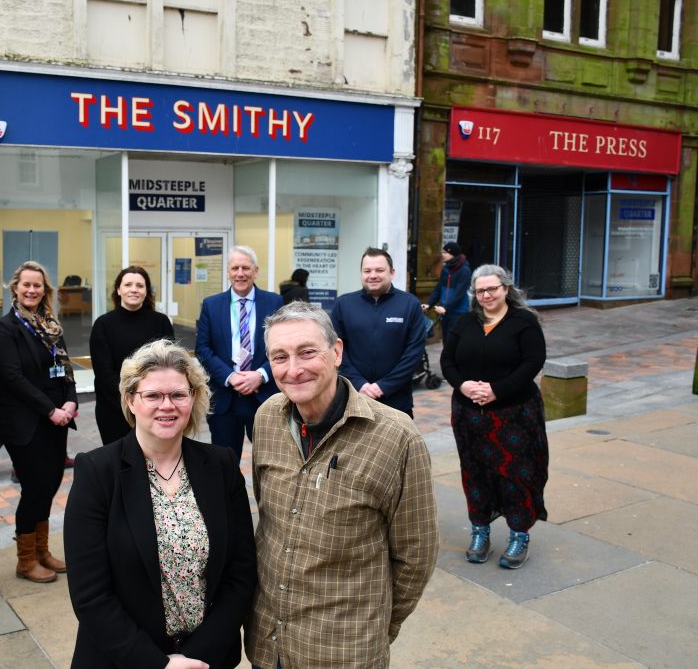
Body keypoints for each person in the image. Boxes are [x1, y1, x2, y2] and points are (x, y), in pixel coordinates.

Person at [247, 302, 439, 669]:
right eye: (280, 357)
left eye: (307, 352)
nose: (294, 369)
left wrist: (377, 626)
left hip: (344, 651)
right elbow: (269, 518)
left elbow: (416, 555)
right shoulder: (267, 418)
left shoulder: (397, 437)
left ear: (336, 352)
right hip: (268, 642)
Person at [65, 339, 257, 669]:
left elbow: (241, 575)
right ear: (130, 400)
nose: (166, 405)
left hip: (207, 660)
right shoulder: (98, 472)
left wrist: (196, 656)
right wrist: (159, 664)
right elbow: (90, 595)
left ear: (193, 398)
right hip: (123, 659)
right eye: (153, 395)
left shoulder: (221, 465)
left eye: (178, 395)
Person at [440, 264, 548, 569]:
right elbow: (447, 360)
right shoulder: (465, 322)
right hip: (469, 415)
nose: (486, 295)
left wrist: (497, 391)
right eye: (480, 290)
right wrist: (462, 385)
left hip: (514, 414)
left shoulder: (523, 322)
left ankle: (518, 535)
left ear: (506, 289)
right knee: (475, 474)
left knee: (517, 474)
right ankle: (480, 532)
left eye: (492, 289)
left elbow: (532, 362)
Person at [0, 261, 78, 584]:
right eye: (25, 285)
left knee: (51, 482)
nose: (31, 290)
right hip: (24, 422)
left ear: (45, 290)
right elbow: (13, 378)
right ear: (15, 288)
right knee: (35, 487)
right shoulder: (5, 329)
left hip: (55, 419)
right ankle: (25, 560)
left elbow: (66, 368)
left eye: (37, 285)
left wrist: (70, 400)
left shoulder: (51, 326)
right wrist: (50, 410)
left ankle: (42, 551)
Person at [195, 245, 283, 460]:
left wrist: (260, 375)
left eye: (246, 268)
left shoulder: (275, 302)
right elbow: (203, 349)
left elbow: (284, 348)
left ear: (256, 271)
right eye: (235, 268)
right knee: (224, 463)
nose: (240, 273)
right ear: (228, 271)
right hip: (225, 399)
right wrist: (230, 376)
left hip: (263, 396)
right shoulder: (211, 305)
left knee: (270, 459)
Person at [330, 247, 426, 418]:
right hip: (353, 398)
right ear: (361, 273)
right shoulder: (343, 304)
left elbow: (414, 353)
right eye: (367, 270)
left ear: (392, 272)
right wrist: (359, 384)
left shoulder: (410, 304)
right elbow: (335, 350)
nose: (373, 275)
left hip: (397, 401)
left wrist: (384, 386)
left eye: (379, 270)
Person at [90, 266, 175, 444]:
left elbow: (170, 367)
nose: (134, 289)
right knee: (120, 464)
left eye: (139, 285)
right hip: (115, 409)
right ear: (119, 290)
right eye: (128, 284)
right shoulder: (103, 325)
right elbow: (104, 373)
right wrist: (133, 401)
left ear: (146, 291)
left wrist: (149, 400)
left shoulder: (161, 322)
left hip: (156, 407)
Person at [422, 241, 472, 341]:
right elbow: (439, 288)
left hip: (458, 312)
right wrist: (429, 304)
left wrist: (445, 308)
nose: (442, 255)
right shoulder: (446, 269)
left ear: (453, 254)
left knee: (453, 341)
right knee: (446, 340)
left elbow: (459, 294)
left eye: (445, 253)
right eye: (442, 252)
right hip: (445, 312)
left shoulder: (464, 270)